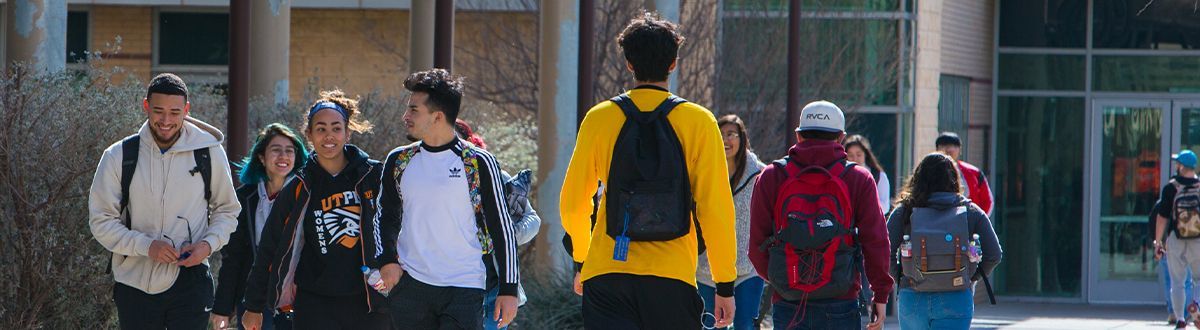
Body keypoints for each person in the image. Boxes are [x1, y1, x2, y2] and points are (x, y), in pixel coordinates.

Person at [560, 12, 739, 330]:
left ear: (629, 64)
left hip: (608, 272)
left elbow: (574, 202)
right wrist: (724, 283)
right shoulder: (699, 122)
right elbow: (716, 210)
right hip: (672, 277)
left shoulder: (599, 118)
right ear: (673, 64)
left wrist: (583, 257)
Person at [88, 73, 241, 330]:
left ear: (187, 110)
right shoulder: (119, 155)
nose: (166, 120)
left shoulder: (208, 152)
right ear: (146, 106)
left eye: (175, 112)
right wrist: (147, 246)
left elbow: (228, 209)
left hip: (191, 281)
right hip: (133, 284)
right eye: (159, 111)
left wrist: (207, 245)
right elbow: (101, 221)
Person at [379, 69, 521, 329]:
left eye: (413, 110)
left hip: (464, 288)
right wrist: (387, 260)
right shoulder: (398, 160)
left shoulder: (478, 162)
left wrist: (508, 289)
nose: (405, 116)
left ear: (437, 116)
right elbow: (385, 216)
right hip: (410, 287)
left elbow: (502, 228)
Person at [241, 90, 391, 330]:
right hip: (315, 302)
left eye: (336, 128)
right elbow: (270, 246)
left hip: (370, 299)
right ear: (308, 134)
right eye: (320, 129)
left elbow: (399, 230)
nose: (328, 136)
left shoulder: (374, 175)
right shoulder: (299, 186)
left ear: (347, 132)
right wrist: (254, 305)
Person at [748, 100, 893, 330]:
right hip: (841, 300)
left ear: (799, 136)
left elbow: (757, 245)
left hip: (788, 303)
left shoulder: (771, 176)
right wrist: (880, 294)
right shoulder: (858, 178)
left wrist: (785, 279)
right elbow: (876, 242)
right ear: (841, 137)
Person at [888, 152, 1002, 329]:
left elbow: (883, 252)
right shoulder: (970, 211)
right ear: (954, 179)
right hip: (956, 296)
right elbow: (994, 254)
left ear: (918, 178)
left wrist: (901, 277)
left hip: (913, 295)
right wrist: (970, 277)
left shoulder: (905, 211)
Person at [211, 123, 307, 330]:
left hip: (300, 297)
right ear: (261, 157)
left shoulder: (308, 196)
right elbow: (234, 257)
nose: (283, 156)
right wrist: (222, 307)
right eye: (276, 150)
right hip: (256, 299)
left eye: (289, 151)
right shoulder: (245, 198)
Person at [453, 118, 541, 330]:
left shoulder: (496, 177)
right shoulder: (435, 179)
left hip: (495, 286)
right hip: (454, 286)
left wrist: (507, 235)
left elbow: (533, 219)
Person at [695, 114, 765, 330]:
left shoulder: (760, 174)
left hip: (747, 268)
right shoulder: (700, 171)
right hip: (707, 268)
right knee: (710, 326)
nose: (725, 139)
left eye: (731, 134)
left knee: (745, 325)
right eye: (721, 133)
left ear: (742, 138)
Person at [1155, 150, 1200, 329]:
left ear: (1181, 166)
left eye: (1177, 163)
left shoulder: (1170, 188)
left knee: (1177, 282)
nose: (1176, 166)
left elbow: (1162, 216)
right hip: (1198, 240)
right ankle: (1196, 305)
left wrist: (1158, 241)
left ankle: (1180, 319)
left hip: (1176, 239)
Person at [935, 132, 993, 215]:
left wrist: (978, 223)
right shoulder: (930, 171)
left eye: (954, 146)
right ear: (937, 149)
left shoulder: (974, 173)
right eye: (944, 145)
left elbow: (987, 201)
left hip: (968, 222)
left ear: (960, 150)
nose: (949, 149)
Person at [844, 134, 891, 213]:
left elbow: (885, 207)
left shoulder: (879, 176)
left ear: (866, 154)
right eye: (851, 155)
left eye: (859, 155)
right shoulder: (842, 175)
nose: (855, 159)